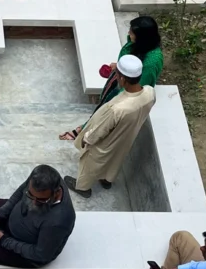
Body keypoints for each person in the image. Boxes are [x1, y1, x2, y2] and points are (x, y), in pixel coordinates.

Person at [64, 54, 155, 198]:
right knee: (116, 159)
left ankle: (83, 188)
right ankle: (106, 180)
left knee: (90, 163)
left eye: (117, 75)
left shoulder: (118, 109)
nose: (116, 78)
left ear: (123, 79)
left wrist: (86, 139)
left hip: (107, 141)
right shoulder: (150, 92)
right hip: (127, 137)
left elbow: (100, 131)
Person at [60, 15, 163, 141]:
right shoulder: (138, 45)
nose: (129, 33)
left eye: (132, 32)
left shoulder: (151, 63)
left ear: (142, 37)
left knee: (105, 114)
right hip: (120, 82)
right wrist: (119, 66)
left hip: (123, 92)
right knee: (102, 107)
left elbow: (138, 85)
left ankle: (84, 131)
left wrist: (118, 96)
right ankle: (86, 127)